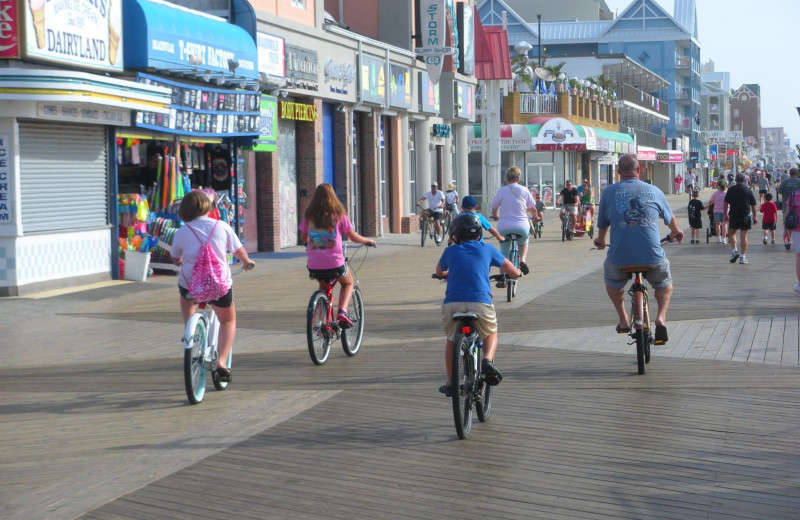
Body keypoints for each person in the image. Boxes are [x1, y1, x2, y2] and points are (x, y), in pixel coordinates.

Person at [593, 154, 683, 345]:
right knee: (664, 283)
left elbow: (602, 224)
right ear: (639, 170)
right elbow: (671, 220)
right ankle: (661, 318)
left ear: (618, 172)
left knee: (612, 281)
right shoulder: (654, 190)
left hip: (619, 257)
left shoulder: (609, 192)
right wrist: (676, 232)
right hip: (652, 255)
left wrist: (601, 240)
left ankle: (624, 320)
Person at [171, 190, 256, 383]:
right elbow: (238, 249)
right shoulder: (221, 226)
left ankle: (189, 333)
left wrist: (180, 260)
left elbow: (175, 257)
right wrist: (246, 261)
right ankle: (222, 363)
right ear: (207, 207)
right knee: (227, 321)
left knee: (186, 295)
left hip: (191, 286)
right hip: (218, 285)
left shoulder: (181, 232)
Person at [435, 213, 521, 396]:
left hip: (453, 304)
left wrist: (447, 275)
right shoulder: (487, 249)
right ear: (478, 235)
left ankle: (451, 382)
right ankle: (487, 360)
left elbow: (439, 271)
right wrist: (519, 272)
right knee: (490, 332)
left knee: (451, 339)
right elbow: (511, 271)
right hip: (480, 303)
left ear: (455, 235)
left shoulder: (450, 251)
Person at [299, 184, 377, 328]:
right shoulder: (338, 214)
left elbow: (304, 238)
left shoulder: (309, 216)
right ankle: (342, 311)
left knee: (323, 286)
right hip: (335, 263)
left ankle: (321, 321)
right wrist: (367, 241)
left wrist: (316, 238)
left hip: (314, 265)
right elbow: (352, 237)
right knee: (347, 283)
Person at [491, 166, 539, 276]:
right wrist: (535, 217)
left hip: (504, 227)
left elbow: (494, 207)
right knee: (523, 242)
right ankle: (522, 260)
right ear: (519, 178)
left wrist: (495, 215)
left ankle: (502, 276)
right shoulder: (524, 190)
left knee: (503, 251)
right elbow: (533, 208)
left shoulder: (502, 190)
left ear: (506, 178)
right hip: (522, 226)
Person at [724, 173, 757, 264]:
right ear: (745, 180)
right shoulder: (748, 190)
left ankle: (734, 251)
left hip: (733, 214)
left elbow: (726, 203)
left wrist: (725, 214)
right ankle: (742, 257)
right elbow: (753, 205)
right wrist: (754, 217)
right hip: (745, 215)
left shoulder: (731, 190)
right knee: (744, 235)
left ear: (735, 180)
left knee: (732, 233)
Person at [778, 168, 800, 250]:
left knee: (787, 224)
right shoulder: (799, 181)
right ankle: (797, 243)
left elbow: (779, 191)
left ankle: (787, 242)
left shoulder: (784, 182)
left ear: (790, 174)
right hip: (798, 208)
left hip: (786, 206)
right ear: (797, 174)